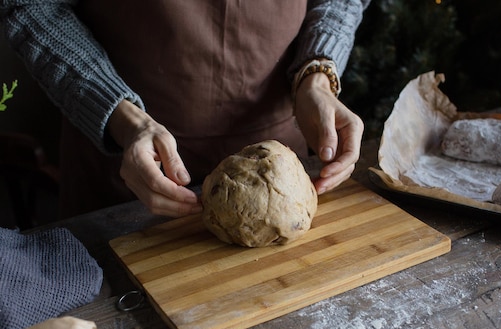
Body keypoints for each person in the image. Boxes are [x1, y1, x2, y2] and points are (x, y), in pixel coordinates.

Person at [0, 0, 370, 218]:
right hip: (126, 157)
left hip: (281, 153)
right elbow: (32, 4)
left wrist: (317, 75)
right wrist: (122, 116)